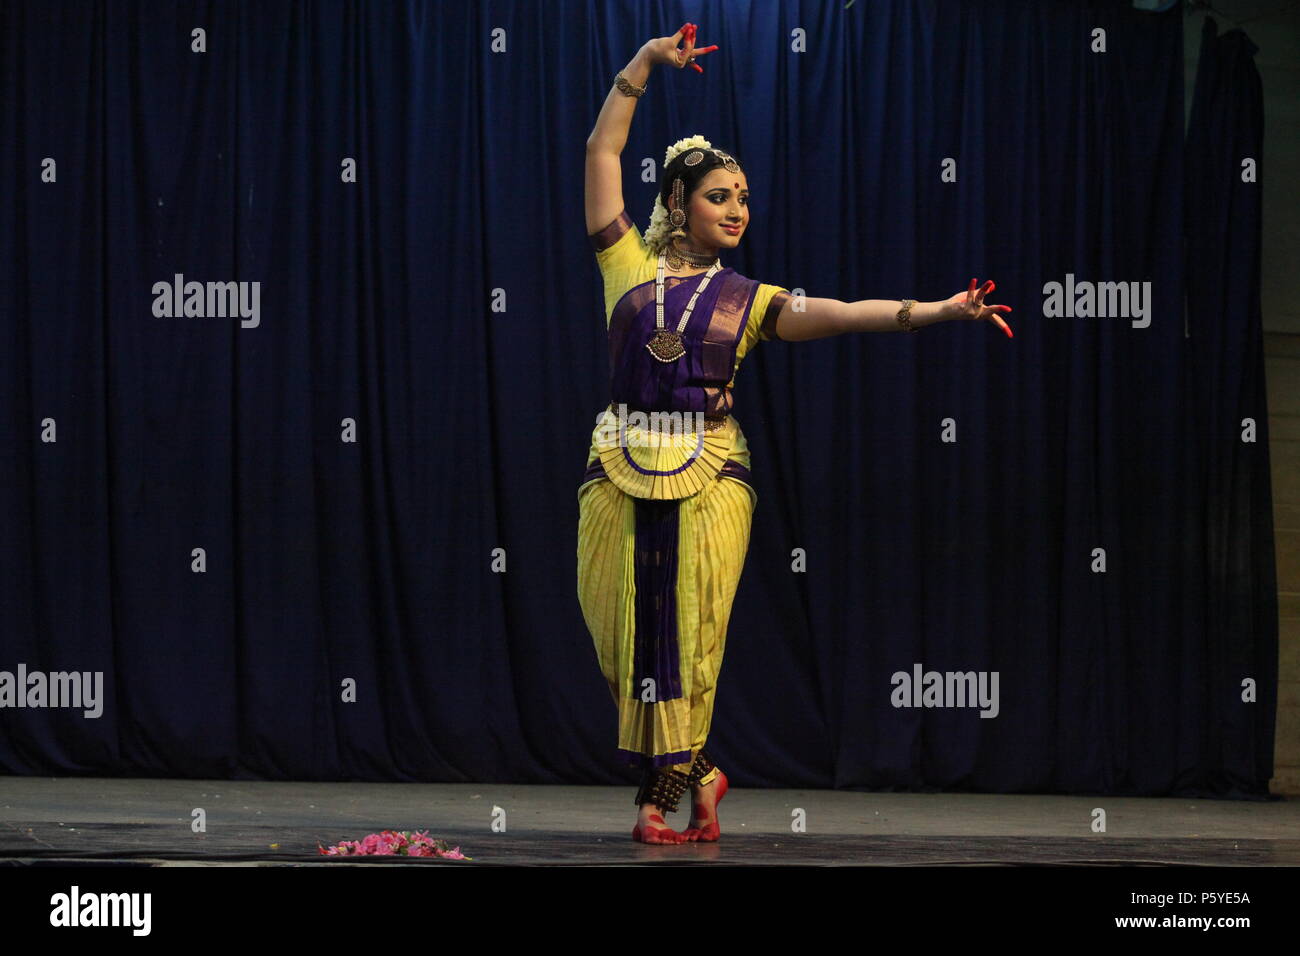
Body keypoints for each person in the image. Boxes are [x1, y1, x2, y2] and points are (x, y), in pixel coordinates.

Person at [579, 23, 1013, 845]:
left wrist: (941, 311)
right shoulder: (624, 264)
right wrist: (642, 63)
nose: (737, 209)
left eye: (743, 198)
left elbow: (845, 315)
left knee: (689, 641)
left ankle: (656, 802)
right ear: (678, 202)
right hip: (619, 465)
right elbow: (603, 153)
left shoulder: (750, 300)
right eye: (719, 196)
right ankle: (704, 777)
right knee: (620, 643)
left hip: (710, 474)